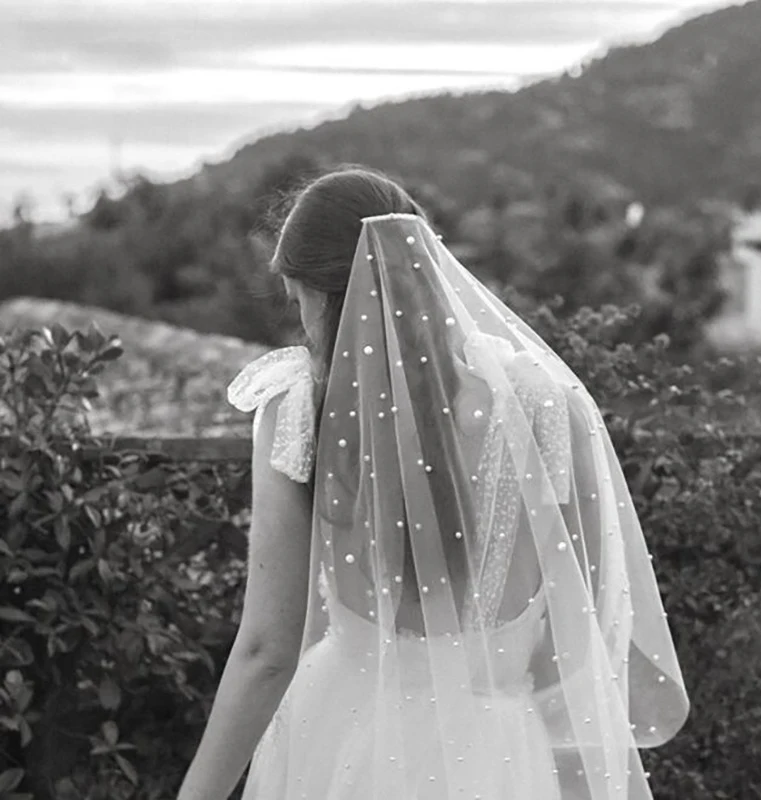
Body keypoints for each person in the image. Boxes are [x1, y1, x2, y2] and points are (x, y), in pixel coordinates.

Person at [177, 166, 689, 800]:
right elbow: (580, 638)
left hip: (339, 738)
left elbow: (267, 651)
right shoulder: (544, 408)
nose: (302, 322)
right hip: (498, 755)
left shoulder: (298, 410)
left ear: (325, 297)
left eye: (298, 298)